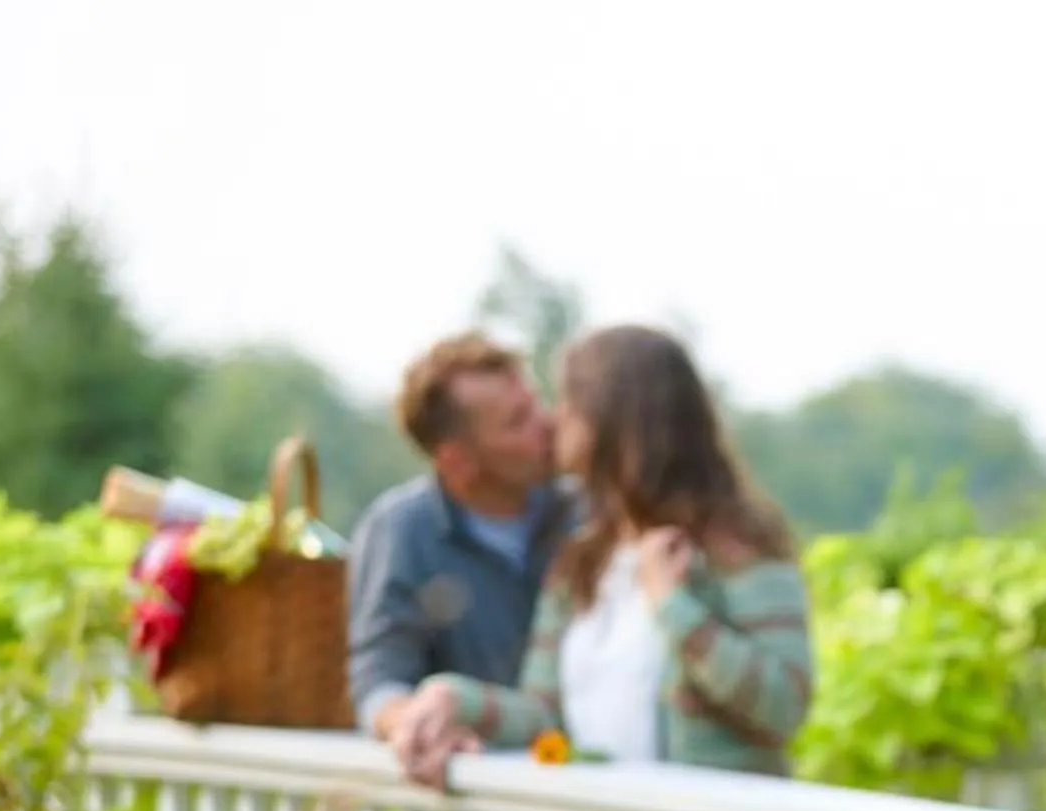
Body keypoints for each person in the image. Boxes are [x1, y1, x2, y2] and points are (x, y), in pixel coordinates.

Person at [385, 325, 814, 779]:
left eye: (571, 402)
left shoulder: (738, 543)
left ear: (619, 420)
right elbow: (545, 717)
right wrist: (453, 698)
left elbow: (783, 707)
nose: (554, 418)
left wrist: (674, 607)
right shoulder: (579, 559)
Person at [346, 334, 575, 784]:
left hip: (599, 801)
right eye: (518, 421)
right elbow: (378, 682)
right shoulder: (400, 531)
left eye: (535, 402)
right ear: (458, 461)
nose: (547, 424)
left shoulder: (587, 512)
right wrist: (419, 725)